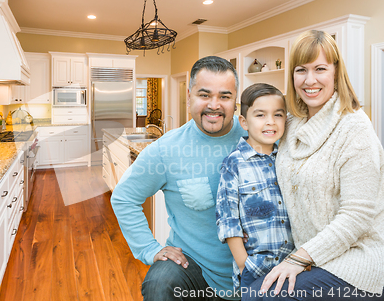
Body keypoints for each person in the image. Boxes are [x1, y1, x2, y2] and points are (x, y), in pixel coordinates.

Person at [244, 30, 384, 300]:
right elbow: (255, 133)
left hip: (354, 262)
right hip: (310, 257)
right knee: (248, 288)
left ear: (335, 72)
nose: (310, 80)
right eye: (301, 70)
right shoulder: (292, 123)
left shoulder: (354, 128)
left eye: (320, 68)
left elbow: (357, 216)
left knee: (257, 296)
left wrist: (298, 259)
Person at [111, 56, 246, 300]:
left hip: (258, 270)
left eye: (224, 96)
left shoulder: (257, 134)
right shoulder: (166, 150)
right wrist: (149, 248)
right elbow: (124, 197)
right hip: (196, 270)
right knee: (160, 284)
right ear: (189, 97)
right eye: (204, 95)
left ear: (235, 101)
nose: (214, 105)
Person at [215, 83, 294, 292]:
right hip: (257, 271)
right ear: (244, 122)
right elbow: (227, 220)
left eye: (278, 115)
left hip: (293, 268)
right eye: (260, 115)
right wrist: (244, 266)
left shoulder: (289, 158)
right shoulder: (234, 164)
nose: (270, 122)